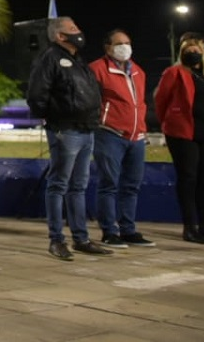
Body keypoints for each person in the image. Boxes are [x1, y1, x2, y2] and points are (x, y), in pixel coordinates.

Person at [26, 16, 113, 261]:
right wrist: (54, 119)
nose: (79, 32)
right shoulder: (50, 58)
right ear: (59, 36)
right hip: (65, 131)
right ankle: (56, 240)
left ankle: (81, 238)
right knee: (59, 186)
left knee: (78, 186)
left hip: (86, 130)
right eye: (73, 29)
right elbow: (36, 96)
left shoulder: (77, 61)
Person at [155, 36, 204, 244]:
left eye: (195, 48)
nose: (192, 51)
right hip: (183, 134)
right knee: (188, 178)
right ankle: (190, 227)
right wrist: (170, 122)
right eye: (187, 49)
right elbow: (160, 99)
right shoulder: (174, 72)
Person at [88, 29, 156, 248]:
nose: (125, 46)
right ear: (108, 48)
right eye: (119, 43)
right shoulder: (97, 69)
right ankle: (109, 231)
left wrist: (142, 128)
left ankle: (128, 230)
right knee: (108, 184)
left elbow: (139, 103)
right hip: (109, 135)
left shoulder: (138, 71)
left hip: (136, 137)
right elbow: (90, 101)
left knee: (131, 186)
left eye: (127, 42)